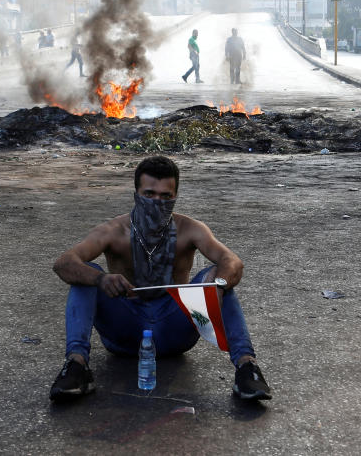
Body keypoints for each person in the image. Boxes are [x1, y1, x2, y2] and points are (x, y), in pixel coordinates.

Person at [49, 156, 272, 402]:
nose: (157, 202)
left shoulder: (191, 229)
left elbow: (232, 262)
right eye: (149, 194)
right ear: (136, 193)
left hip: (174, 331)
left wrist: (218, 284)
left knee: (218, 278)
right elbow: (64, 263)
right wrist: (101, 279)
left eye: (166, 196)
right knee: (85, 274)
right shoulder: (113, 231)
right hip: (125, 333)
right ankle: (77, 366)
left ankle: (246, 367)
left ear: (176, 196)